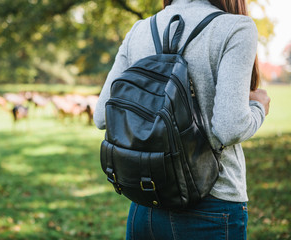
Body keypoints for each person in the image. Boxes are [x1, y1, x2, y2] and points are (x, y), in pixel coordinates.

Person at [93, 0, 271, 239]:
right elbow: (228, 129)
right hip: (212, 205)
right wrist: (259, 107)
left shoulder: (141, 29)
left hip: (146, 200)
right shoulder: (235, 27)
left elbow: (101, 116)